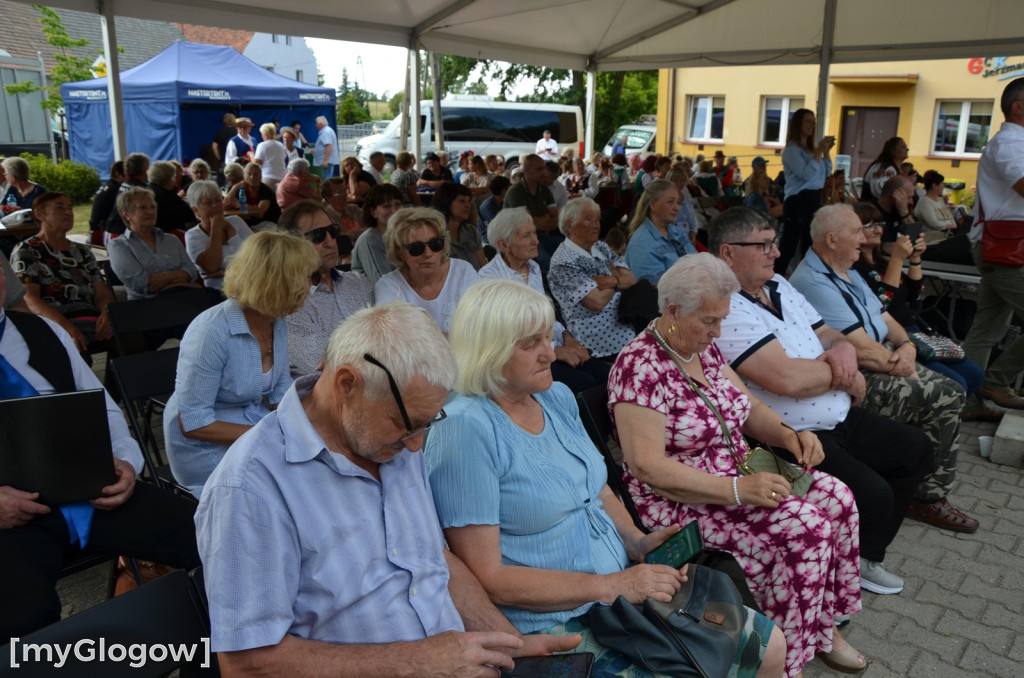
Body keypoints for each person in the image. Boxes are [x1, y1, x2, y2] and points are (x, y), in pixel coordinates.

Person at [194, 301, 577, 676]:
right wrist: (417, 661)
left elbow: (432, 561)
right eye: (405, 423)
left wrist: (508, 645)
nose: (415, 445)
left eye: (428, 422)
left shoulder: (388, 439)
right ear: (347, 384)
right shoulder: (249, 487)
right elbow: (247, 663)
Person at [426, 279, 786, 677]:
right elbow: (489, 578)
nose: (550, 352)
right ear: (487, 351)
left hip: (625, 594)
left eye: (548, 336)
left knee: (769, 645)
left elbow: (594, 487)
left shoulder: (554, 396)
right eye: (530, 344)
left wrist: (637, 540)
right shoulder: (465, 430)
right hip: (562, 620)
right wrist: (613, 585)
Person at [609, 253, 865, 677]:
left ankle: (823, 626)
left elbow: (745, 408)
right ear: (673, 310)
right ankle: (786, 661)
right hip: (677, 500)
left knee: (837, 498)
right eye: (710, 321)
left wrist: (788, 435)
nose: (718, 332)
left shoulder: (698, 347)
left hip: (734, 472)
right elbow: (647, 468)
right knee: (805, 528)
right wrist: (735, 491)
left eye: (722, 319)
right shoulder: (641, 366)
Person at [709, 206, 933, 596]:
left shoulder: (779, 285)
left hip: (840, 414)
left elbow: (828, 333)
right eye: (763, 245)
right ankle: (829, 576)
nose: (776, 253)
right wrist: (845, 374)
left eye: (773, 243)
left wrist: (843, 351)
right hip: (791, 435)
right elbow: (785, 379)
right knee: (874, 494)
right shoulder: (723, 306)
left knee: (916, 450)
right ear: (727, 253)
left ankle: (862, 557)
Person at [0, 269, 200, 638]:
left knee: (218, 542)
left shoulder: (44, 331)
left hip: (91, 491)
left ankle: (207, 663)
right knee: (21, 621)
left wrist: (126, 463)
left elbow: (103, 409)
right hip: (8, 519)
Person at [789, 204, 979, 534]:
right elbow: (860, 350)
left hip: (885, 359)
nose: (863, 238)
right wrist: (903, 364)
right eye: (856, 232)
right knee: (946, 395)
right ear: (832, 239)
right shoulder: (814, 281)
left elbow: (887, 318)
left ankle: (913, 478)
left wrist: (906, 347)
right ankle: (928, 496)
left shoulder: (850, 270)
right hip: (855, 374)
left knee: (953, 387)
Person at [165, 231, 317, 497]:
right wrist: (271, 437)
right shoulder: (211, 330)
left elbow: (281, 391)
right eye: (305, 276)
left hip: (250, 423)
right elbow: (194, 423)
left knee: (316, 465)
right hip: (204, 446)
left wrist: (322, 402)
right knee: (289, 487)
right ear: (280, 282)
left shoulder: (275, 320)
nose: (310, 285)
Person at [479, 208, 609, 393]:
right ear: (504, 244)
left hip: (546, 348)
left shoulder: (533, 268)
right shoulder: (489, 280)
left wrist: (567, 338)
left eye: (534, 233)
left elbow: (546, 317)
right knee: (584, 384)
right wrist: (556, 350)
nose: (536, 241)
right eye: (526, 236)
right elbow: (508, 334)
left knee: (606, 374)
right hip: (520, 360)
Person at [963, 77, 1024, 413]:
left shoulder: (1016, 142)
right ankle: (994, 383)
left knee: (988, 327)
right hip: (1006, 249)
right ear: (1018, 107)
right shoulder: (1011, 143)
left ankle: (967, 399)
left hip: (1004, 247)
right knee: (988, 327)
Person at [11, 192, 116, 353]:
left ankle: (115, 377)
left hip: (89, 316)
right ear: (39, 214)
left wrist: (107, 313)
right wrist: (67, 327)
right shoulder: (27, 251)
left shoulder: (82, 251)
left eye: (70, 208)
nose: (68, 212)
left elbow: (101, 291)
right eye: (59, 207)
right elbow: (30, 299)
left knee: (131, 341)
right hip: (55, 320)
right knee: (74, 348)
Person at [280, 200, 374, 378]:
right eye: (318, 236)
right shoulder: (292, 303)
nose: (330, 242)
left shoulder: (357, 283)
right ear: (293, 245)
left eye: (332, 231)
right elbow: (319, 368)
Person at [548, 198, 637, 360]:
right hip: (597, 341)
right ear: (570, 225)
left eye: (597, 220)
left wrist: (606, 281)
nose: (596, 225)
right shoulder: (563, 262)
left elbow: (631, 279)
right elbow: (596, 302)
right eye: (589, 219)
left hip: (628, 325)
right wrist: (616, 278)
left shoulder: (601, 247)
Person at [374, 207, 478, 334]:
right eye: (416, 248)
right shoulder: (388, 286)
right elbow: (397, 340)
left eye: (435, 244)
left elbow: (482, 327)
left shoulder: (463, 272)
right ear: (399, 253)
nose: (428, 253)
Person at [107, 187, 201, 300]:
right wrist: (180, 279)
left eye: (153, 207)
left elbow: (192, 271)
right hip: (147, 307)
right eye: (142, 208)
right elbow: (141, 284)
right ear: (127, 215)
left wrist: (165, 280)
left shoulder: (171, 239)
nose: (151, 212)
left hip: (184, 299)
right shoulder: (118, 245)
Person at [776, 109, 833, 274]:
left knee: (811, 243)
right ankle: (775, 279)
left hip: (814, 198)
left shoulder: (812, 150)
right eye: (808, 121)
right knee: (790, 244)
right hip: (798, 199)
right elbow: (807, 174)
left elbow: (827, 172)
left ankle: (807, 276)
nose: (812, 125)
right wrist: (818, 152)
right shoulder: (791, 151)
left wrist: (825, 152)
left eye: (813, 121)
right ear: (798, 124)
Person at [183, 180, 253, 290]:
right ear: (195, 210)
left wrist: (227, 272)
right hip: (220, 292)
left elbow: (258, 256)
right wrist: (216, 228)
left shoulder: (236, 221)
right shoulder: (193, 236)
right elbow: (211, 266)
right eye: (208, 203)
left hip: (251, 284)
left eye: (218, 200)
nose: (215, 205)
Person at [624, 179, 695, 284]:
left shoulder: (676, 231)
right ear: (653, 204)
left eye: (678, 202)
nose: (676, 208)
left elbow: (697, 261)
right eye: (670, 202)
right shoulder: (641, 243)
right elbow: (655, 289)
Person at [504, 154, 560, 266]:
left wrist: (535, 222)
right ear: (526, 170)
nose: (544, 172)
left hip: (543, 237)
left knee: (570, 251)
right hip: (520, 241)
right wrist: (547, 216)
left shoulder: (544, 190)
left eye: (544, 168)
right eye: (540, 169)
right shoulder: (516, 192)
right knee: (545, 262)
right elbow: (525, 223)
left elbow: (556, 220)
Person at [351, 184, 404, 285]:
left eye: (397, 204)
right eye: (387, 206)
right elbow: (383, 283)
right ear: (373, 212)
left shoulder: (401, 237)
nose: (394, 211)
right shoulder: (369, 240)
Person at [431, 182, 486, 270]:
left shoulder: (471, 231)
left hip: (477, 281)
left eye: (469, 201)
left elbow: (484, 266)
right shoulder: (434, 234)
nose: (468, 205)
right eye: (462, 201)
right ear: (446, 202)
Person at [225, 162, 282, 228]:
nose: (252, 177)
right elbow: (225, 205)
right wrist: (235, 187)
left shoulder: (265, 191)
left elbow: (260, 212)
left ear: (260, 177)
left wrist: (237, 204)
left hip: (266, 223)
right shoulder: (237, 188)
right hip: (246, 222)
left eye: (255, 175)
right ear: (244, 177)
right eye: (249, 174)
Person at [147, 160, 196, 234]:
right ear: (168, 178)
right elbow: (190, 218)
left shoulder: (147, 191)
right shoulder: (167, 196)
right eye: (173, 176)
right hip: (170, 235)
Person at [914, 170, 958, 243]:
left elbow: (949, 216)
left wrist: (954, 226)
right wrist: (948, 226)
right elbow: (933, 223)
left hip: (947, 236)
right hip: (933, 239)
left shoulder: (940, 200)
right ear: (934, 185)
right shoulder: (924, 202)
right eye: (941, 183)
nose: (943, 186)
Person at [860, 137, 908, 201]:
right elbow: (878, 190)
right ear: (892, 150)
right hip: (874, 208)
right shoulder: (884, 168)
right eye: (903, 147)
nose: (907, 149)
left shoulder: (890, 167)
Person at [88, 160, 125, 244]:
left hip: (95, 229)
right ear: (118, 174)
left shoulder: (108, 185)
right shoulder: (116, 189)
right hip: (101, 233)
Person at [254, 122, 288, 190]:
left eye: (262, 134)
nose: (262, 136)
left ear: (265, 134)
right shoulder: (280, 145)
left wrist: (251, 155)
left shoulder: (262, 145)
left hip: (268, 177)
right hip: (282, 176)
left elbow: (257, 163)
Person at [211, 112, 236, 177]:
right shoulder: (238, 132)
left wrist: (220, 158)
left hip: (224, 160)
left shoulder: (220, 133)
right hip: (237, 160)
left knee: (227, 179)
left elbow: (214, 147)